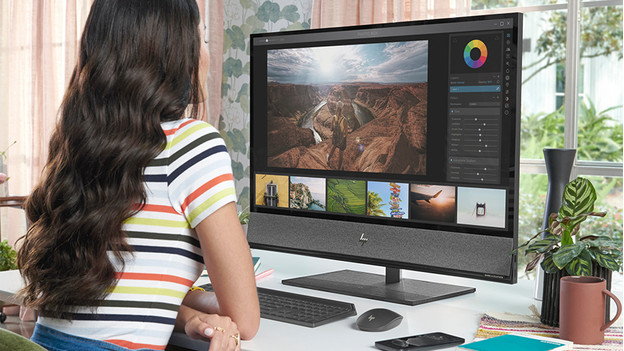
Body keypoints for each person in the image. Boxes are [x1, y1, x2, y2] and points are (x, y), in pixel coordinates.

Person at [16, 1, 260, 350]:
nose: (207, 55)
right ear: (176, 54)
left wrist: (188, 313)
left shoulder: (80, 146)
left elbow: (112, 294)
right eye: (202, 40)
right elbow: (246, 318)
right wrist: (199, 303)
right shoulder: (193, 145)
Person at [327, 99, 347, 170]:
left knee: (333, 147)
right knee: (340, 155)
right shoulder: (344, 120)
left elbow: (331, 129)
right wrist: (344, 139)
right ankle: (339, 169)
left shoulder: (334, 117)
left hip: (335, 138)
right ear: (342, 109)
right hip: (342, 139)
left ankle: (328, 160)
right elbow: (346, 132)